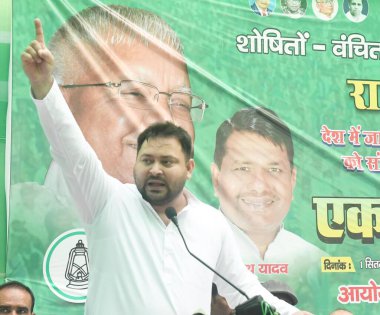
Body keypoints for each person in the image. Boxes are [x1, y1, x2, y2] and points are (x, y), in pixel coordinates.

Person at [22, 17, 313, 315]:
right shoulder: (107, 201)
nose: (156, 170)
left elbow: (245, 290)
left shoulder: (210, 223)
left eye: (167, 162)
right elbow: (69, 146)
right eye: (147, 161)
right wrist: (45, 88)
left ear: (189, 168)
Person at [10, 4, 207, 303]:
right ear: (64, 103)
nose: (165, 120)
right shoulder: (18, 219)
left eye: (180, 102)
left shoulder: (206, 229)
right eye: (134, 93)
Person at [211, 107, 326, 293]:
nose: (259, 186)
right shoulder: (188, 251)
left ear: (292, 179)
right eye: (243, 169)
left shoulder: (317, 262)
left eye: (274, 170)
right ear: (216, 179)